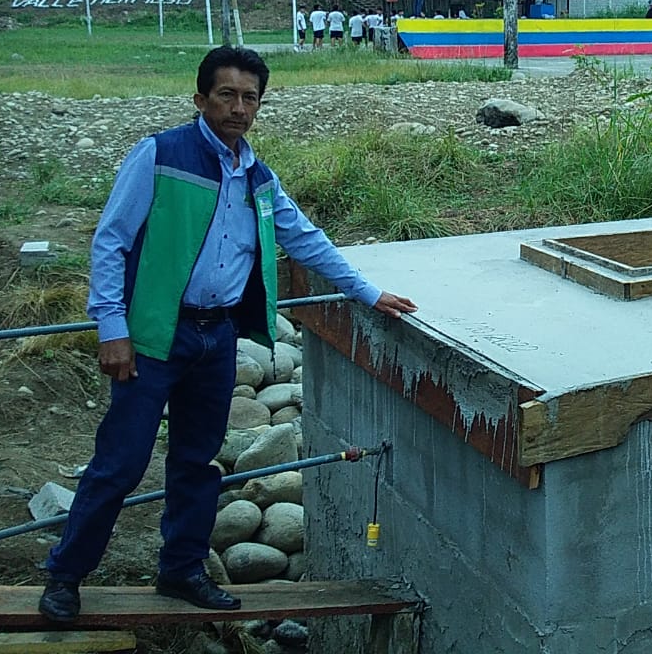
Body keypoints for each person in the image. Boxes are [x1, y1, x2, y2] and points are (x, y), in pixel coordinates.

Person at [36, 46, 417, 624]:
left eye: (250, 98)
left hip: (216, 339)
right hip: (153, 337)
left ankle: (182, 569)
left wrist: (368, 292)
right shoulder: (161, 155)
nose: (239, 108)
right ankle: (65, 576)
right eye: (227, 95)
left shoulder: (258, 177)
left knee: (197, 461)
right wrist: (111, 326)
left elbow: (304, 238)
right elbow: (111, 241)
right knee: (120, 464)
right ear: (201, 99)